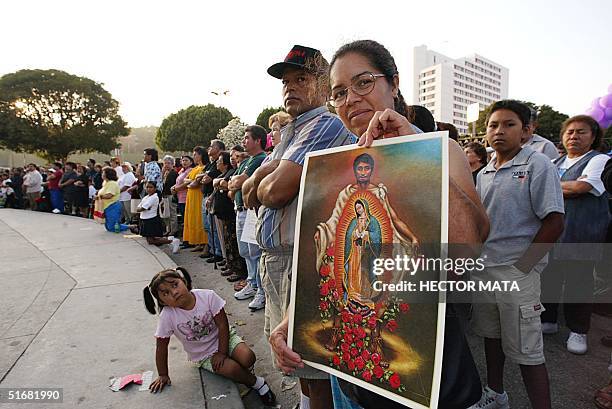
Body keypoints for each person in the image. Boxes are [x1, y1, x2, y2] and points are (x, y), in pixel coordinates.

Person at [298, 39, 488, 409]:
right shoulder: (333, 168)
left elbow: (470, 246)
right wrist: (290, 321)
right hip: (347, 366)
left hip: (423, 359)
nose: (350, 98)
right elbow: (323, 262)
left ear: (394, 83)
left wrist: (414, 154)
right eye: (338, 92)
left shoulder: (439, 149)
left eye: (363, 82)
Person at [242, 44, 354, 409]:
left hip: (300, 262)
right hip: (277, 261)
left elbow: (273, 193)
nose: (290, 87)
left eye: (300, 78)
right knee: (295, 363)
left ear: (324, 84)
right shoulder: (293, 129)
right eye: (286, 81)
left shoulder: (325, 123)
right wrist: (261, 174)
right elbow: (250, 185)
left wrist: (261, 178)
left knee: (310, 363)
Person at [473, 100, 564, 409]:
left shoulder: (538, 165)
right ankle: (496, 394)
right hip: (486, 271)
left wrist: (524, 267)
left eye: (509, 124)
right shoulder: (484, 171)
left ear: (527, 131)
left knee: (528, 351)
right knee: (492, 336)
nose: (499, 131)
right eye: (493, 125)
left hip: (517, 273)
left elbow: (555, 221)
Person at [143, 267, 277, 406]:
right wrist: (163, 374)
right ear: (163, 302)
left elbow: (223, 325)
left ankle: (240, 371)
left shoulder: (207, 296)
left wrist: (222, 352)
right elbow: (161, 346)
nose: (174, 292)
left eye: (175, 285)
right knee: (232, 369)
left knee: (248, 358)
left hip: (224, 338)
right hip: (203, 354)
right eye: (166, 293)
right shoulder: (167, 316)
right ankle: (257, 383)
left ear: (183, 281)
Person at [541, 115, 611, 355]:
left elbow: (582, 187)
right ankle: (548, 320)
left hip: (583, 231)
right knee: (549, 276)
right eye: (569, 132)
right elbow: (536, 187)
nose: (574, 136)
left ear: (593, 137)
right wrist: (566, 186)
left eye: (581, 132)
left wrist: (554, 186)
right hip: (553, 231)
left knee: (578, 282)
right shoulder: (554, 161)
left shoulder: (599, 160)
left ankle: (578, 330)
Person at [229, 126, 268, 309]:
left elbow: (236, 182)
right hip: (240, 210)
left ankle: (261, 290)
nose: (244, 141)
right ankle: (252, 283)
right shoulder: (247, 160)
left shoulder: (260, 159)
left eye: (246, 138)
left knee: (255, 251)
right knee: (246, 251)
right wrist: (233, 184)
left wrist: (234, 184)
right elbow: (231, 183)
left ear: (258, 140)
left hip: (251, 211)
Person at [136, 181, 180, 252]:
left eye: (151, 187)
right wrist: (141, 208)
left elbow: (142, 208)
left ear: (155, 188)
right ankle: (169, 240)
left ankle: (172, 241)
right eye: (147, 187)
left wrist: (142, 208)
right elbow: (138, 208)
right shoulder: (146, 197)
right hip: (144, 219)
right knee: (150, 239)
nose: (148, 189)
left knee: (151, 240)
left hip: (150, 220)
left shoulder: (154, 197)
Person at [202, 140, 225, 261]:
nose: (209, 148)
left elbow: (206, 179)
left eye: (212, 146)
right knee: (208, 226)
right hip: (206, 195)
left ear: (220, 149)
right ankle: (212, 250)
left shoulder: (219, 163)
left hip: (213, 197)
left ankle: (218, 253)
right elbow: (201, 177)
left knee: (214, 227)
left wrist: (203, 177)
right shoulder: (210, 164)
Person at [181, 147, 208, 249]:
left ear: (201, 155)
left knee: (199, 219)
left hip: (198, 196)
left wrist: (191, 181)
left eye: (195, 154)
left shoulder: (204, 168)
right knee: (192, 218)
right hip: (191, 196)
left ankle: (204, 243)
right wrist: (192, 180)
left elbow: (195, 184)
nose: (194, 157)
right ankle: (198, 242)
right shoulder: (195, 169)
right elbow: (186, 180)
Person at [93, 167, 131, 233]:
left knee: (112, 227)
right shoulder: (105, 183)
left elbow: (109, 195)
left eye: (103, 173)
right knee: (108, 227)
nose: (102, 174)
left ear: (107, 174)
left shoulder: (112, 183)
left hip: (112, 206)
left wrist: (99, 197)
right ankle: (128, 226)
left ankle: (131, 227)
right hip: (106, 207)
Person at [171, 155, 194, 234]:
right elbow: (178, 182)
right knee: (184, 218)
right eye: (183, 160)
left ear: (191, 162)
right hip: (180, 198)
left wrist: (176, 189)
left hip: (186, 197)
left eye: (186, 160)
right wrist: (173, 187)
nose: (184, 162)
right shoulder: (181, 171)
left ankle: (188, 239)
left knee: (187, 219)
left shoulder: (190, 170)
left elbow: (186, 183)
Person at [161, 155, 179, 236]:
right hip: (165, 195)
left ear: (172, 164)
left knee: (172, 213)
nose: (166, 165)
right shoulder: (164, 173)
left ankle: (174, 230)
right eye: (165, 163)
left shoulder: (174, 173)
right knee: (166, 214)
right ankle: (168, 229)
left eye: (168, 163)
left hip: (171, 195)